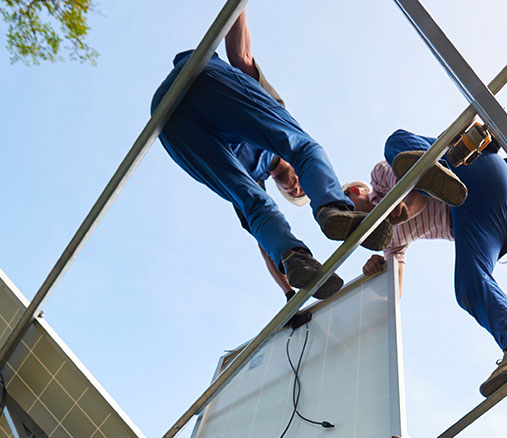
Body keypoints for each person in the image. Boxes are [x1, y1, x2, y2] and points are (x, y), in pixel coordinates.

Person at [151, 10, 392, 306]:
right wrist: (237, 8)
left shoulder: (257, 179)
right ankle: (332, 207)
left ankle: (296, 257)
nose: (296, 189)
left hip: (171, 122)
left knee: (254, 205)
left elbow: (263, 242)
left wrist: (290, 293)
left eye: (296, 195)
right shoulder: (275, 110)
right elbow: (241, 56)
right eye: (303, 186)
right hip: (203, 79)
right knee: (305, 147)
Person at [346, 129, 507, 396]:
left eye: (345, 211)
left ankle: (440, 168)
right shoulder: (390, 241)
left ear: (355, 191)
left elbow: (420, 189)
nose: (349, 223)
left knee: (396, 144)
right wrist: (379, 275)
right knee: (467, 286)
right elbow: (395, 290)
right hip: (486, 220)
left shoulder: (379, 178)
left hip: (474, 171)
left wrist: (405, 210)